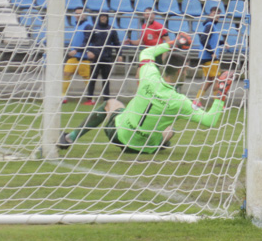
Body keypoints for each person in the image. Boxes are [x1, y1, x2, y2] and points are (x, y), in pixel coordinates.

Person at [57, 34, 227, 153]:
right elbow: (210, 120)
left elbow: (145, 52)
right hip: (145, 148)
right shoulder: (179, 100)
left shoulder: (150, 75)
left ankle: (70, 138)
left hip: (119, 136)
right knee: (170, 129)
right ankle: (158, 143)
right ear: (181, 71)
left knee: (111, 103)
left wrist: (173, 43)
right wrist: (220, 96)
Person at [82, 13, 121, 108]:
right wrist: (88, 51)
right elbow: (86, 42)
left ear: (107, 18)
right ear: (99, 18)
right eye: (102, 17)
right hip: (95, 58)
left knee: (106, 80)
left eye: (105, 17)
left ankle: (106, 100)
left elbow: (117, 43)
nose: (103, 18)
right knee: (92, 79)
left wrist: (119, 54)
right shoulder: (93, 29)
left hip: (107, 58)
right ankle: (90, 99)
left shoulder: (111, 29)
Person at [62, 8, 94, 100]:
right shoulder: (76, 25)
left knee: (87, 78)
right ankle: (63, 96)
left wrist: (76, 50)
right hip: (74, 57)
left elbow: (87, 41)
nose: (78, 15)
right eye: (76, 13)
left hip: (83, 57)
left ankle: (91, 98)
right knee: (66, 73)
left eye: (80, 14)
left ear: (84, 15)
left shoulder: (88, 26)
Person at [194, 7, 223, 105]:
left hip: (205, 57)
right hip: (210, 58)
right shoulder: (210, 25)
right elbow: (203, 39)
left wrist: (222, 43)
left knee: (209, 80)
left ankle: (197, 100)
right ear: (210, 14)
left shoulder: (210, 25)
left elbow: (211, 41)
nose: (217, 16)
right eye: (215, 13)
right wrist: (211, 52)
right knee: (217, 79)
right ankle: (217, 103)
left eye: (218, 14)